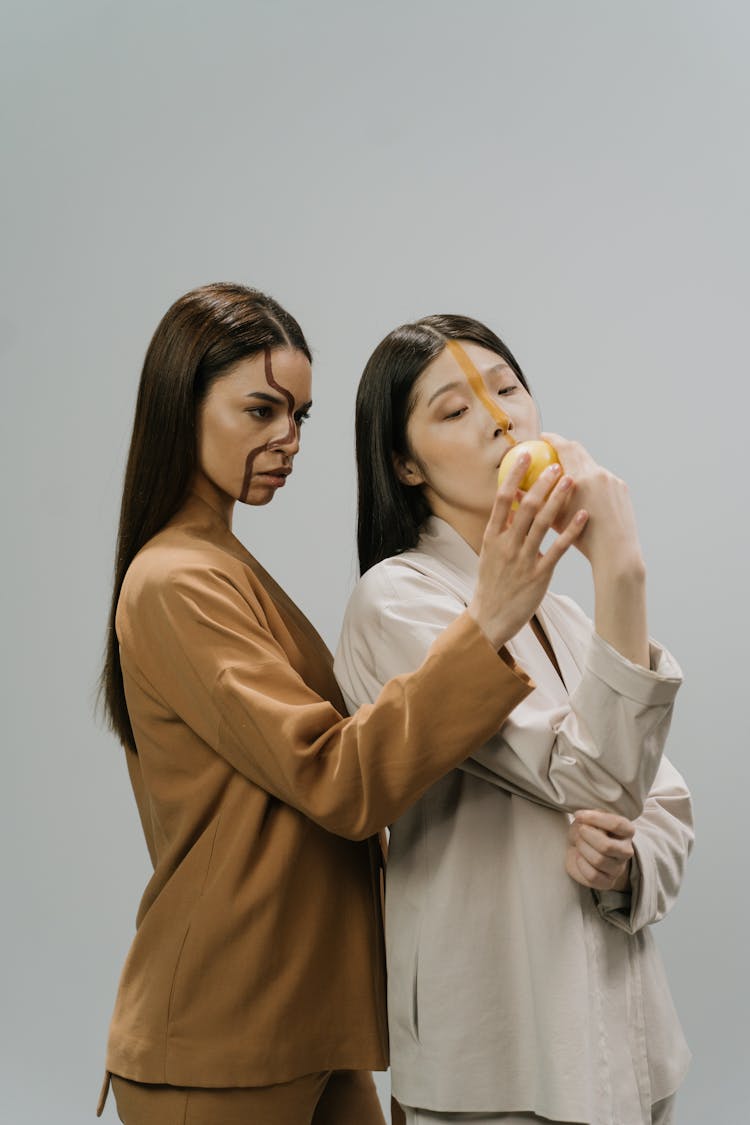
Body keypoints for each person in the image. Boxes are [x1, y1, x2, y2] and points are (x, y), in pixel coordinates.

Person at [97, 285, 588, 1125]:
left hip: (309, 1019)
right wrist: (490, 622)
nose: (287, 438)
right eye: (261, 409)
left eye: (300, 417)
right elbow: (337, 778)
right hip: (224, 1032)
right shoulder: (177, 580)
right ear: (184, 406)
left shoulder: (220, 564)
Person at [334, 314, 693, 1125]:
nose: (500, 420)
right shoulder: (396, 601)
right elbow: (600, 773)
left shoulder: (564, 615)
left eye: (507, 390)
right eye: (455, 410)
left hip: (629, 1035)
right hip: (496, 1051)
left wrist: (626, 860)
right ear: (404, 462)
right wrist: (622, 566)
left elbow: (662, 801)